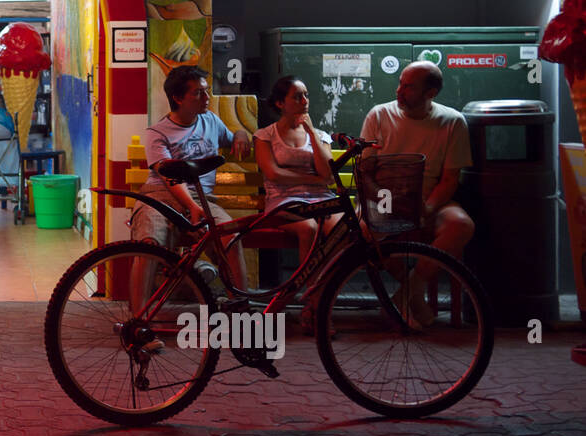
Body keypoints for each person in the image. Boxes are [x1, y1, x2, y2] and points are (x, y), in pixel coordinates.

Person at [361, 60, 475, 328]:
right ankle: (415, 298)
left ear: (430, 93)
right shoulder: (378, 115)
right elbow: (365, 173)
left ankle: (405, 294)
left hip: (428, 200)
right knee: (364, 230)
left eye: (409, 87)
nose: (399, 91)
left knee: (461, 225)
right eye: (401, 83)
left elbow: (449, 180)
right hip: (383, 200)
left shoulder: (453, 122)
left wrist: (426, 207)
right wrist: (388, 202)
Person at [130, 65, 250, 313]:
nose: (207, 98)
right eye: (198, 93)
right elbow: (168, 176)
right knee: (149, 244)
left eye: (206, 92)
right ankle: (139, 319)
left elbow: (232, 134)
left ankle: (241, 309)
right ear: (178, 98)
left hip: (202, 197)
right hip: (159, 195)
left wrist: (240, 135)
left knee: (231, 238)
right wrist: (192, 207)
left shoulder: (211, 121)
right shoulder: (157, 133)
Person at [253, 76, 342, 333]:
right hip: (283, 200)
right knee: (309, 229)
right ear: (280, 103)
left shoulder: (320, 135)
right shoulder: (265, 135)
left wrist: (312, 133)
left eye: (306, 95)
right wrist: (313, 179)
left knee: (339, 233)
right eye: (297, 96)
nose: (305, 101)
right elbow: (273, 174)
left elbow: (327, 173)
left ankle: (317, 302)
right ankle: (316, 307)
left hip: (321, 199)